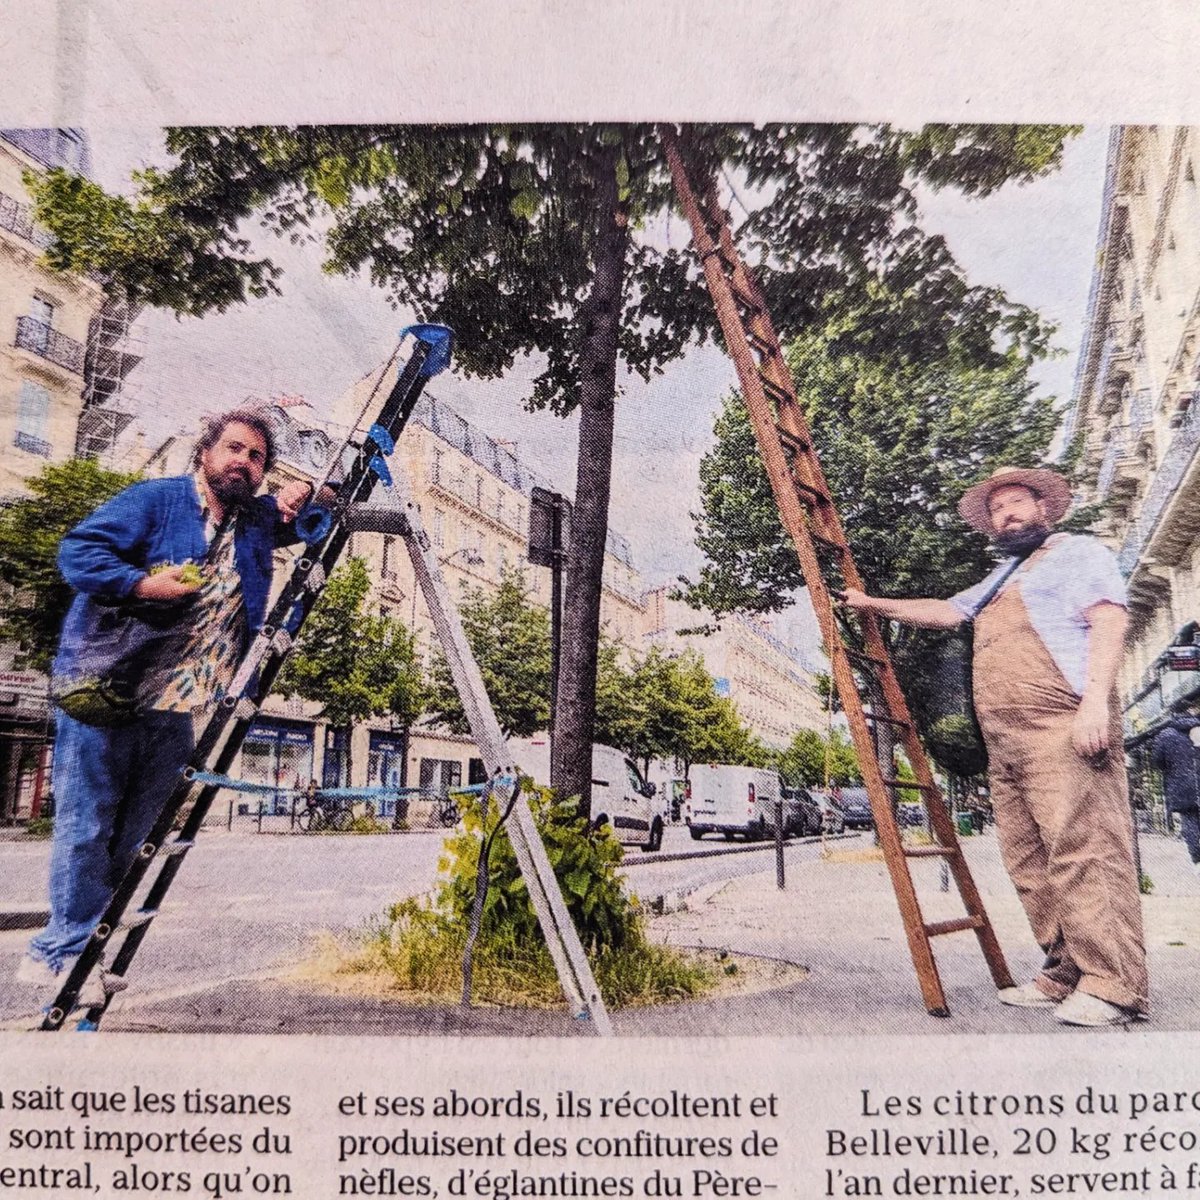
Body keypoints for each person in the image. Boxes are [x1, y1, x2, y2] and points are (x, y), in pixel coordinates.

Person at [16, 410, 317, 1001]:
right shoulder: (156, 501)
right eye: (234, 448)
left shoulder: (252, 522)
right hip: (108, 689)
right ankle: (56, 953)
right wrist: (140, 584)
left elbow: (311, 521)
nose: (244, 462)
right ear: (205, 452)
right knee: (87, 825)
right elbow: (78, 552)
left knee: (140, 834)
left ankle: (88, 953)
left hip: (177, 703)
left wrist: (306, 493)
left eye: (257, 457)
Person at [842, 464, 1148, 1027]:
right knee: (1029, 863)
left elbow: (1108, 621)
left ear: (1045, 508)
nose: (1006, 514)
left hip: (1063, 726)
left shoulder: (1076, 553)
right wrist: (874, 604)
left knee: (1085, 853)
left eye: (1016, 503)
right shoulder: (1002, 576)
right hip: (1005, 745)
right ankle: (1065, 975)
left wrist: (1095, 705)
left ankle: (1114, 986)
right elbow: (946, 611)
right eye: (997, 510)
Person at [1149, 713, 1200, 875]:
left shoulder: (1166, 734)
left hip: (1181, 786)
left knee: (1190, 821)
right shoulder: (1197, 729)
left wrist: (1172, 768)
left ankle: (1198, 859)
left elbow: (1157, 761)